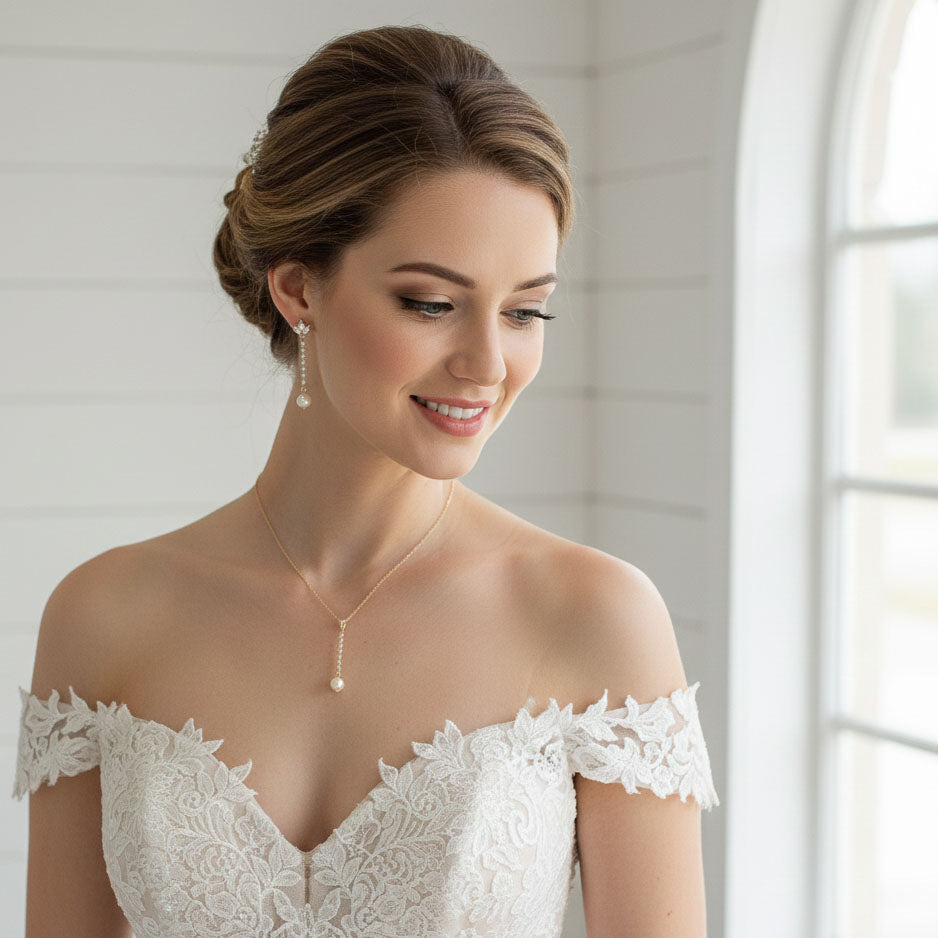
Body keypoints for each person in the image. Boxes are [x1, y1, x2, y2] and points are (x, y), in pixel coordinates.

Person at [12, 23, 719, 938]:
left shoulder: (594, 616)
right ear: (299, 287)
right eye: (431, 303)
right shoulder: (105, 614)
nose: (487, 362)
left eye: (526, 311)